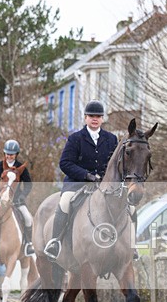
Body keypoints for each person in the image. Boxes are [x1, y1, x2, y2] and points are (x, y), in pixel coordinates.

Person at [43, 100, 119, 260]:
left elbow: (115, 164)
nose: (95, 119)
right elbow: (64, 163)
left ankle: (129, 245)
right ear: (85, 118)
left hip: (104, 186)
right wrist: (86, 175)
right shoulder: (75, 138)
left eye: (98, 116)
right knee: (64, 201)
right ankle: (55, 242)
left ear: (102, 119)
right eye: (91, 116)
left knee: (128, 207)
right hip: (77, 183)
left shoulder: (112, 139)